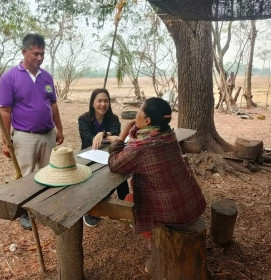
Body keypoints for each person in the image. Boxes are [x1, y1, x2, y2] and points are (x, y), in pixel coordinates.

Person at [108, 97, 206, 234]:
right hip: (193, 203)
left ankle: (155, 236)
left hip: (175, 213)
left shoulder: (144, 147)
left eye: (139, 111)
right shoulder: (167, 134)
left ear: (147, 121)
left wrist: (122, 135)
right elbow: (139, 140)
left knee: (130, 200)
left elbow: (114, 164)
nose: (136, 115)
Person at [0, 33, 64, 230]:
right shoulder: (10, 78)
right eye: (35, 53)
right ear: (24, 52)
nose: (40, 58)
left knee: (49, 173)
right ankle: (25, 213)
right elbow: (5, 111)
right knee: (27, 175)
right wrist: (5, 141)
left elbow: (53, 105)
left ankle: (44, 207)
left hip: (48, 134)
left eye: (42, 54)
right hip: (25, 136)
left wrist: (59, 129)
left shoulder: (46, 77)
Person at [78, 88, 129, 227]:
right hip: (89, 158)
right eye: (99, 100)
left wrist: (102, 134)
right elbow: (88, 140)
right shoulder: (83, 119)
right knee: (93, 181)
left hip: (108, 155)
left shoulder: (113, 118)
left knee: (120, 171)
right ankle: (89, 210)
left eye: (106, 101)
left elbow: (118, 137)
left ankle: (126, 206)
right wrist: (108, 136)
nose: (103, 104)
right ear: (92, 103)